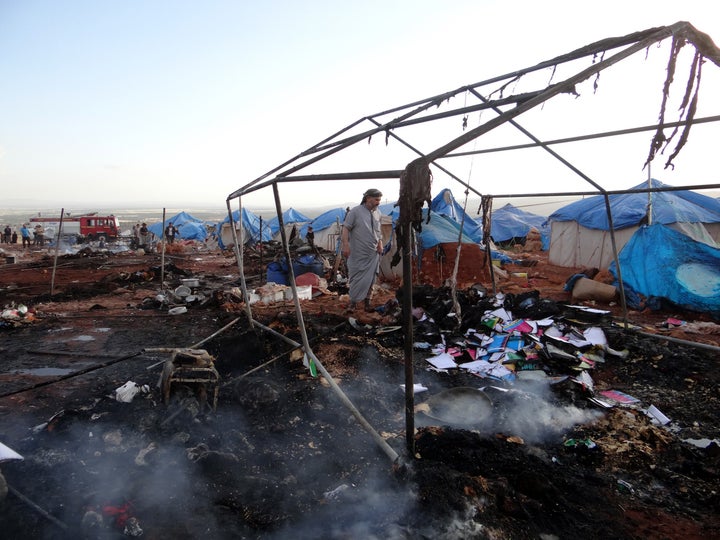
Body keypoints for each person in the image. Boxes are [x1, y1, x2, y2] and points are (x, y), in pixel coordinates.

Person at [341, 188, 384, 312]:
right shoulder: (355, 212)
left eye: (379, 200)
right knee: (356, 278)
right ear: (368, 198)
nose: (378, 202)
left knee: (371, 278)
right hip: (358, 253)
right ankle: (353, 303)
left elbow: (378, 231)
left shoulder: (378, 213)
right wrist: (345, 245)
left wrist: (380, 243)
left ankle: (367, 302)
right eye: (376, 199)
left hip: (373, 253)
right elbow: (346, 228)